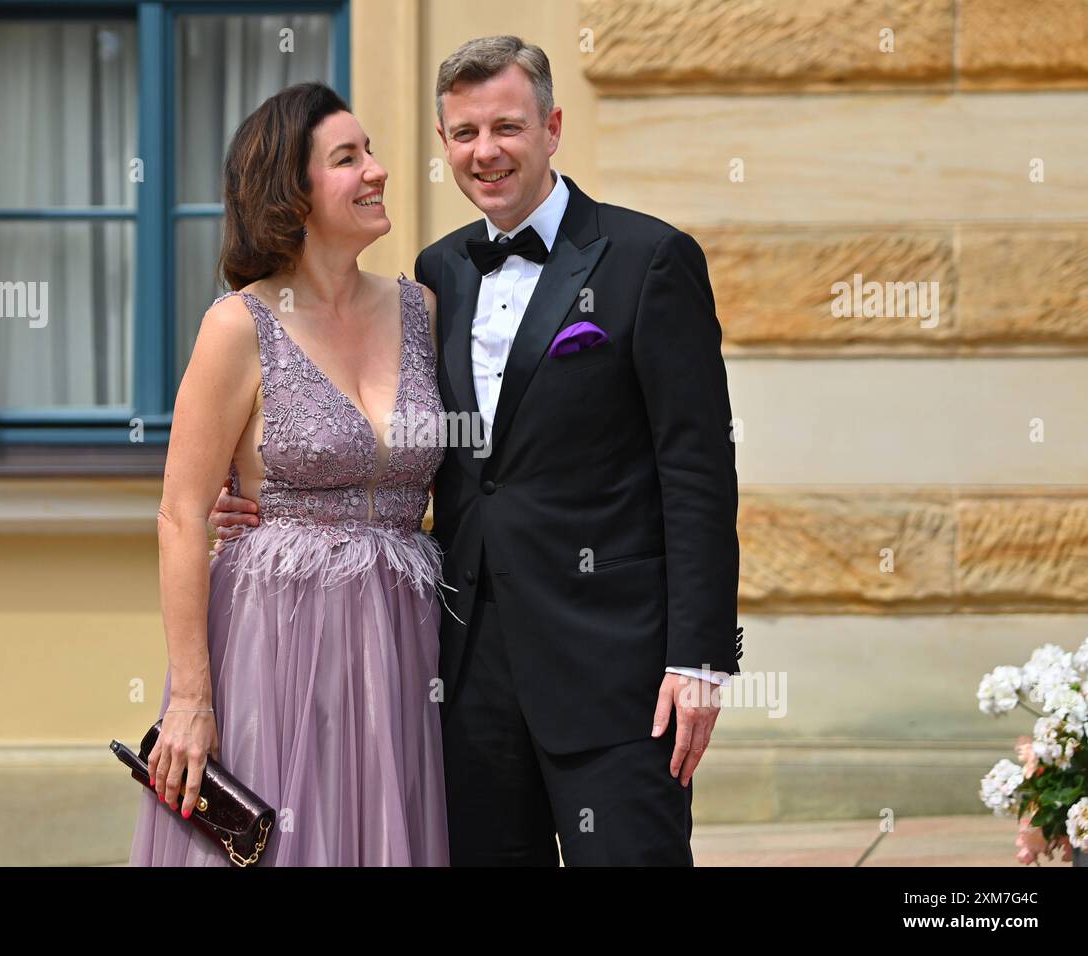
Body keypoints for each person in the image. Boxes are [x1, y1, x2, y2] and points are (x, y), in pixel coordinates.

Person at [214, 35, 745, 866]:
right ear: (444, 144)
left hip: (618, 675)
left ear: (553, 127)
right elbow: (394, 446)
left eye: (507, 127)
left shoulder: (651, 260)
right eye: (464, 134)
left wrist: (701, 659)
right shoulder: (435, 277)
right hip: (459, 675)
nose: (485, 152)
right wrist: (256, 491)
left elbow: (698, 472)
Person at [129, 81, 449, 866]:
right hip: (275, 640)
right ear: (292, 193)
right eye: (348, 158)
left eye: (369, 151)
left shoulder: (423, 310)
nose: (377, 170)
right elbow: (179, 515)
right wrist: (192, 700)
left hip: (404, 640)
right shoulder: (238, 325)